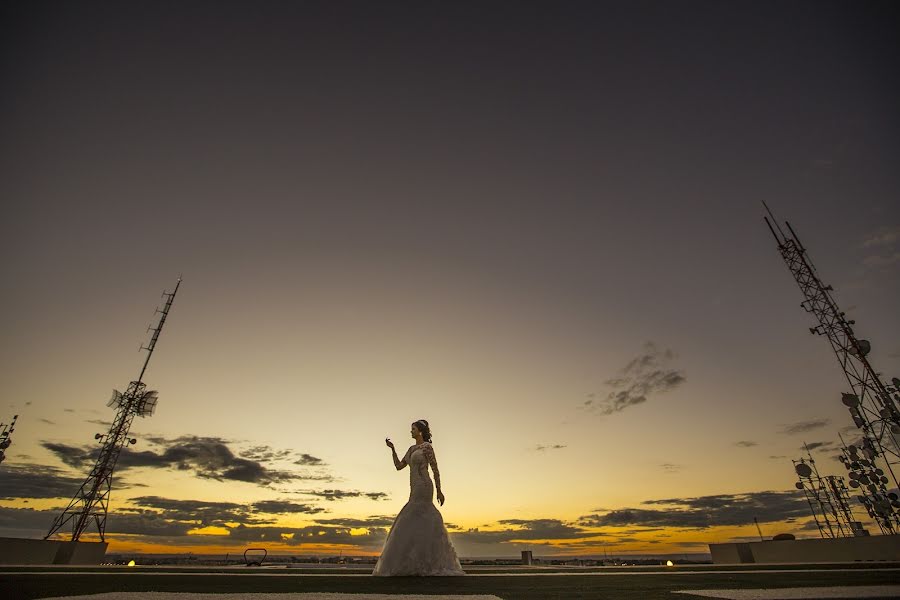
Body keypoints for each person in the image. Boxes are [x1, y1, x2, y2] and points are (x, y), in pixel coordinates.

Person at [372, 419, 465, 576]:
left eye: (413, 429)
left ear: (420, 431)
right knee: (411, 520)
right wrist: (392, 449)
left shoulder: (427, 447)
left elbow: (435, 469)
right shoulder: (411, 449)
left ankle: (429, 561)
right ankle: (412, 562)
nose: (411, 431)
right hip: (414, 487)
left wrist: (440, 490)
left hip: (424, 486)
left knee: (420, 516)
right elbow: (398, 466)